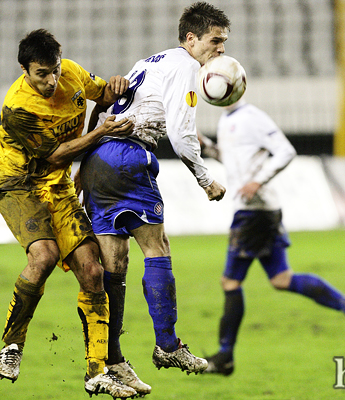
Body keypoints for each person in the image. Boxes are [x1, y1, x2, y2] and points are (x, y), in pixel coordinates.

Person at [76, 2, 230, 395]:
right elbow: (179, 133)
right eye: (216, 42)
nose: (221, 51)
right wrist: (205, 179)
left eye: (224, 43)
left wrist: (82, 165)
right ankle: (168, 345)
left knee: (115, 263)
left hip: (99, 161)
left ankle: (111, 359)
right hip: (129, 158)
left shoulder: (149, 62)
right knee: (156, 247)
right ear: (191, 39)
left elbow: (120, 106)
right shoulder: (185, 67)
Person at [0, 29, 138, 398]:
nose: (51, 80)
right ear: (24, 69)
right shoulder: (18, 108)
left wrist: (116, 86)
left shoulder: (71, 72)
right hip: (19, 182)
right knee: (44, 254)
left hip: (58, 187)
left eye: (54, 70)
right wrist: (101, 133)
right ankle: (12, 345)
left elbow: (102, 93)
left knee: (93, 271)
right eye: (42, 73)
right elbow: (56, 154)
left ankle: (97, 371)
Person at [199, 99, 345, 376]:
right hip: (263, 210)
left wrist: (259, 180)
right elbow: (235, 161)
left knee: (230, 282)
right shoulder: (229, 118)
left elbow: (285, 151)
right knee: (282, 279)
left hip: (253, 211)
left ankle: (225, 356)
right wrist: (207, 146)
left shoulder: (251, 117)